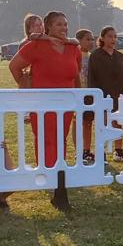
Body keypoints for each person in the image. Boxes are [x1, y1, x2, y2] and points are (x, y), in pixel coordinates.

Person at [8, 12, 82, 211]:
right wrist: (25, 85)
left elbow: (76, 76)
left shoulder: (73, 48)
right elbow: (14, 66)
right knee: (47, 140)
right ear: (48, 27)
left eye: (66, 24)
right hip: (42, 104)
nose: (64, 28)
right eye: (59, 24)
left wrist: (79, 99)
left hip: (66, 105)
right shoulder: (35, 46)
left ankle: (57, 182)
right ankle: (56, 186)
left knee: (61, 140)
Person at [88, 26, 123, 161]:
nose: (113, 39)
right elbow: (92, 78)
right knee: (103, 125)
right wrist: (95, 96)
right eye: (110, 36)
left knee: (118, 124)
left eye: (115, 36)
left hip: (118, 96)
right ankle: (102, 153)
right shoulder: (95, 55)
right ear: (103, 38)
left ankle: (118, 151)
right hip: (102, 96)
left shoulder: (120, 56)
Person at [75, 29, 96, 162]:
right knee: (77, 122)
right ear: (79, 40)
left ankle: (86, 150)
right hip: (77, 93)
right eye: (87, 39)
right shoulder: (74, 55)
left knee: (88, 123)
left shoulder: (92, 56)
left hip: (90, 94)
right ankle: (78, 150)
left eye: (92, 39)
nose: (91, 42)